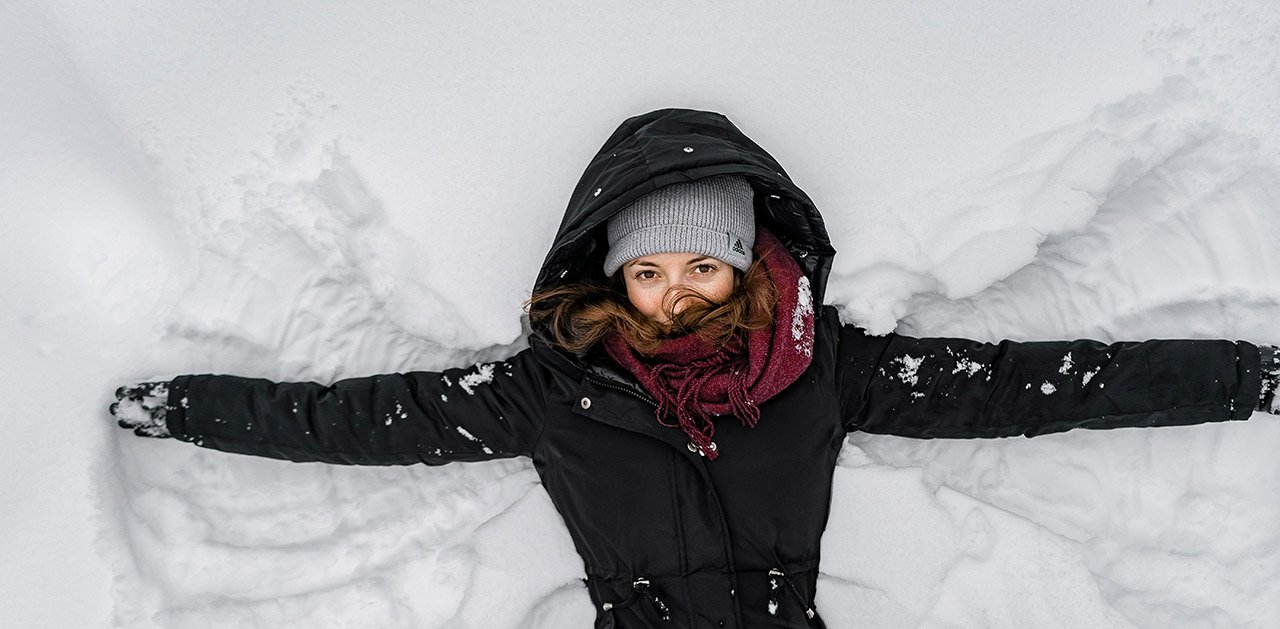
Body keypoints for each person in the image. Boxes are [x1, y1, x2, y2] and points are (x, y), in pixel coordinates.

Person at [111, 108, 1280, 628]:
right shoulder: (555, 387)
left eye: (703, 269)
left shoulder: (824, 371)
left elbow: (1043, 383)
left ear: (747, 267)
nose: (675, 296)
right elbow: (350, 421)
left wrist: (1243, 376)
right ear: (609, 274)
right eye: (649, 272)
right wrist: (184, 407)